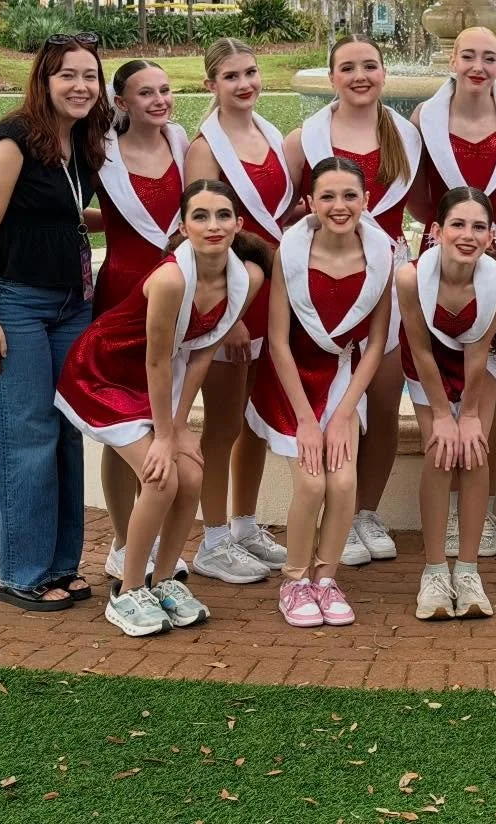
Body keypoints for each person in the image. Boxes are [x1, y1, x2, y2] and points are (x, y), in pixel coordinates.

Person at [55, 181, 268, 636]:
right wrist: (166, 435)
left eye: (223, 215)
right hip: (107, 373)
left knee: (191, 473)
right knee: (160, 476)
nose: (214, 226)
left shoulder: (244, 278)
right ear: (183, 226)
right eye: (201, 216)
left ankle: (164, 579)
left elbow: (203, 350)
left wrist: (180, 428)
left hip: (157, 378)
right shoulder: (172, 279)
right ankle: (126, 590)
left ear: (239, 223)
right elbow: (154, 357)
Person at [0, 31, 112, 610]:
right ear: (44, 80)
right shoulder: (13, 140)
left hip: (72, 304)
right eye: (68, 75)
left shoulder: (82, 141)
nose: (80, 86)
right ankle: (20, 574)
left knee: (67, 433)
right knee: (26, 435)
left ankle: (59, 565)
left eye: (90, 76)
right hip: (16, 305)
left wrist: (147, 225)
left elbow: (67, 218)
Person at [284, 35, 422, 567]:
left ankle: (365, 511)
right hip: (324, 282)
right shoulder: (304, 138)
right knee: (326, 398)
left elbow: (429, 202)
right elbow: (279, 212)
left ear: (384, 73)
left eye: (370, 66)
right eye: (347, 67)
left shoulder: (407, 136)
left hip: (383, 278)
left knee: (383, 404)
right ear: (331, 76)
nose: (359, 75)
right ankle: (324, 506)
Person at [247, 157, 394, 628]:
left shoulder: (381, 256)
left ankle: (326, 579)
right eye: (327, 196)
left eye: (350, 196)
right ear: (310, 202)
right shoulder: (290, 255)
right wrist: (308, 422)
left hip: (341, 383)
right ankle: (294, 580)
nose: (339, 206)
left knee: (345, 481)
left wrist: (345, 413)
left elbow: (374, 345)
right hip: (291, 383)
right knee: (312, 483)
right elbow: (276, 341)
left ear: (366, 201)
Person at [408, 26, 496, 559]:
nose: (478, 66)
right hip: (447, 249)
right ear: (451, 59)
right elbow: (413, 191)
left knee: (491, 390)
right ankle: (447, 506)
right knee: (436, 367)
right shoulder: (423, 118)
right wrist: (446, 230)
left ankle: (484, 507)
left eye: (490, 57)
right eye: (468, 56)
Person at [183, 38, 296, 584]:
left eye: (250, 72)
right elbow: (207, 235)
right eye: (231, 76)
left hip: (274, 291)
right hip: (234, 296)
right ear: (211, 85)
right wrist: (233, 313)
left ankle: (246, 525)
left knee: (255, 421)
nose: (245, 84)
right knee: (223, 424)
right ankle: (211, 540)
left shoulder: (269, 133)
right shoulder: (205, 148)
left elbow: (275, 211)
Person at [399, 187, 496, 620]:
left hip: (478, 366)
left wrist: (468, 415)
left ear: (491, 236)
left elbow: (480, 348)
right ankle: (433, 571)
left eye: (479, 226)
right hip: (426, 364)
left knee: (473, 453)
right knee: (439, 452)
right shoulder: (410, 277)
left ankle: (467, 571)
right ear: (436, 232)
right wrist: (441, 419)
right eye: (458, 224)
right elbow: (422, 350)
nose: (468, 235)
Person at [93, 59, 190, 587]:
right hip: (119, 293)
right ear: (122, 102)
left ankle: (151, 540)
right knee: (120, 426)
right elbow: (78, 210)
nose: (159, 100)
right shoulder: (99, 154)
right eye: (145, 93)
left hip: (175, 292)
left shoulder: (181, 143)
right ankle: (124, 540)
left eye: (165, 90)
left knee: (161, 415)